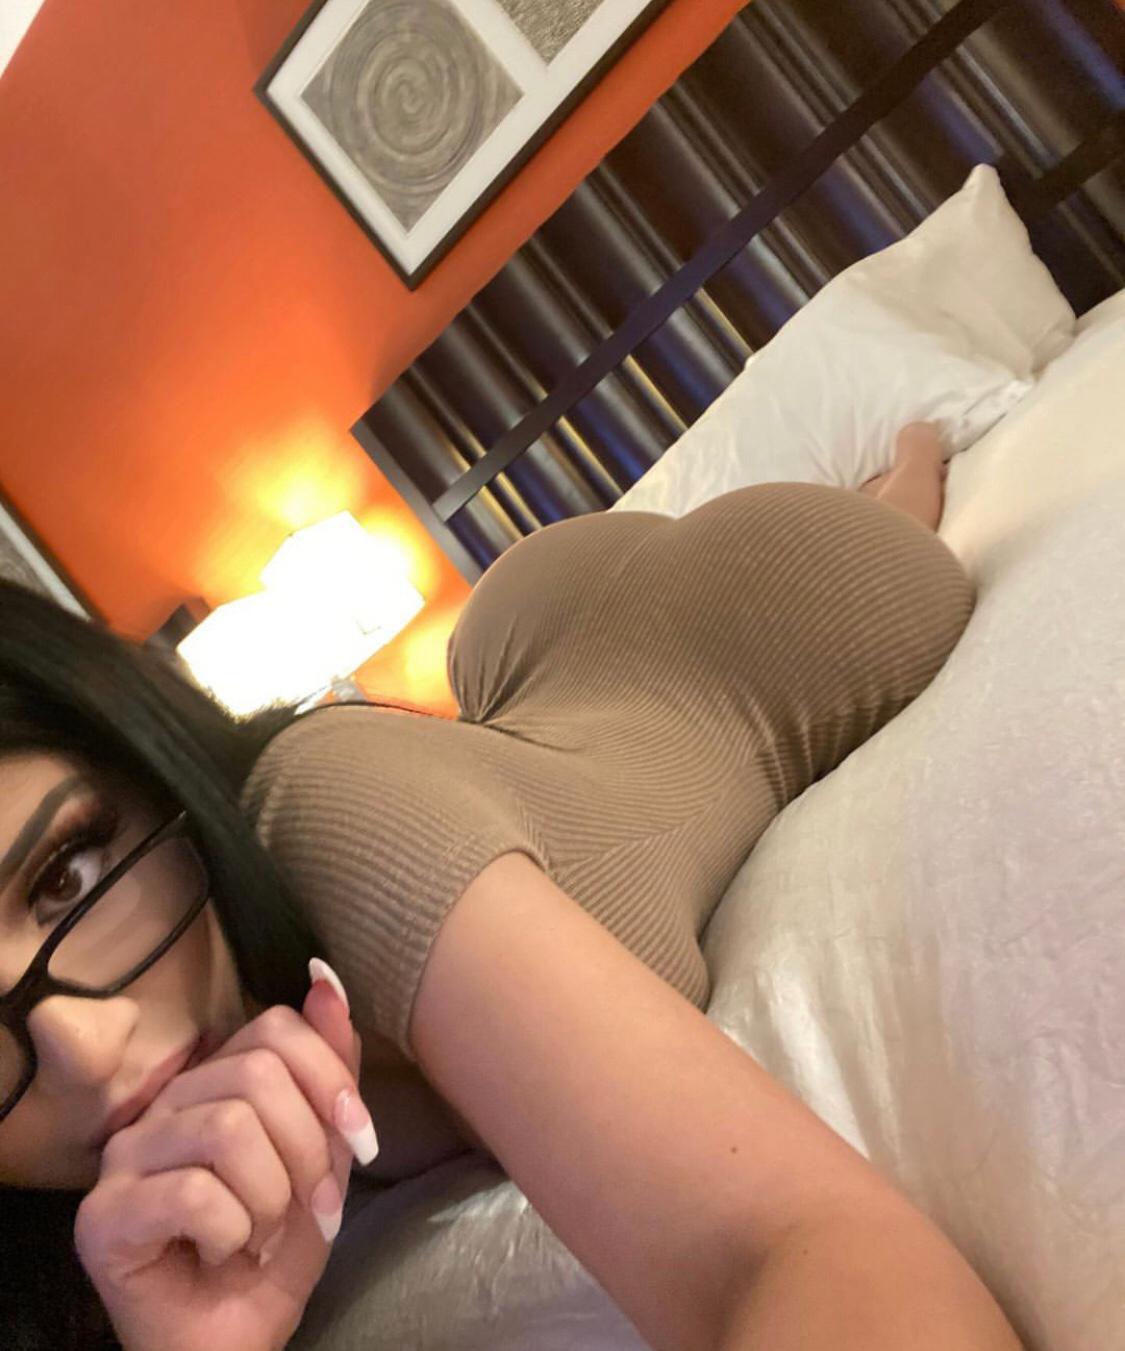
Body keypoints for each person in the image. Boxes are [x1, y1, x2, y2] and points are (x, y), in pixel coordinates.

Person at [0, 424, 1023, 1351]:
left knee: (893, 516)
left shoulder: (323, 807)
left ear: (148, 757)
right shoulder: (83, 1258)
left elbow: (791, 1252)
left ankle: (910, 454)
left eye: (67, 875)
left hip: (761, 598)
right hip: (524, 663)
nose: (84, 1051)